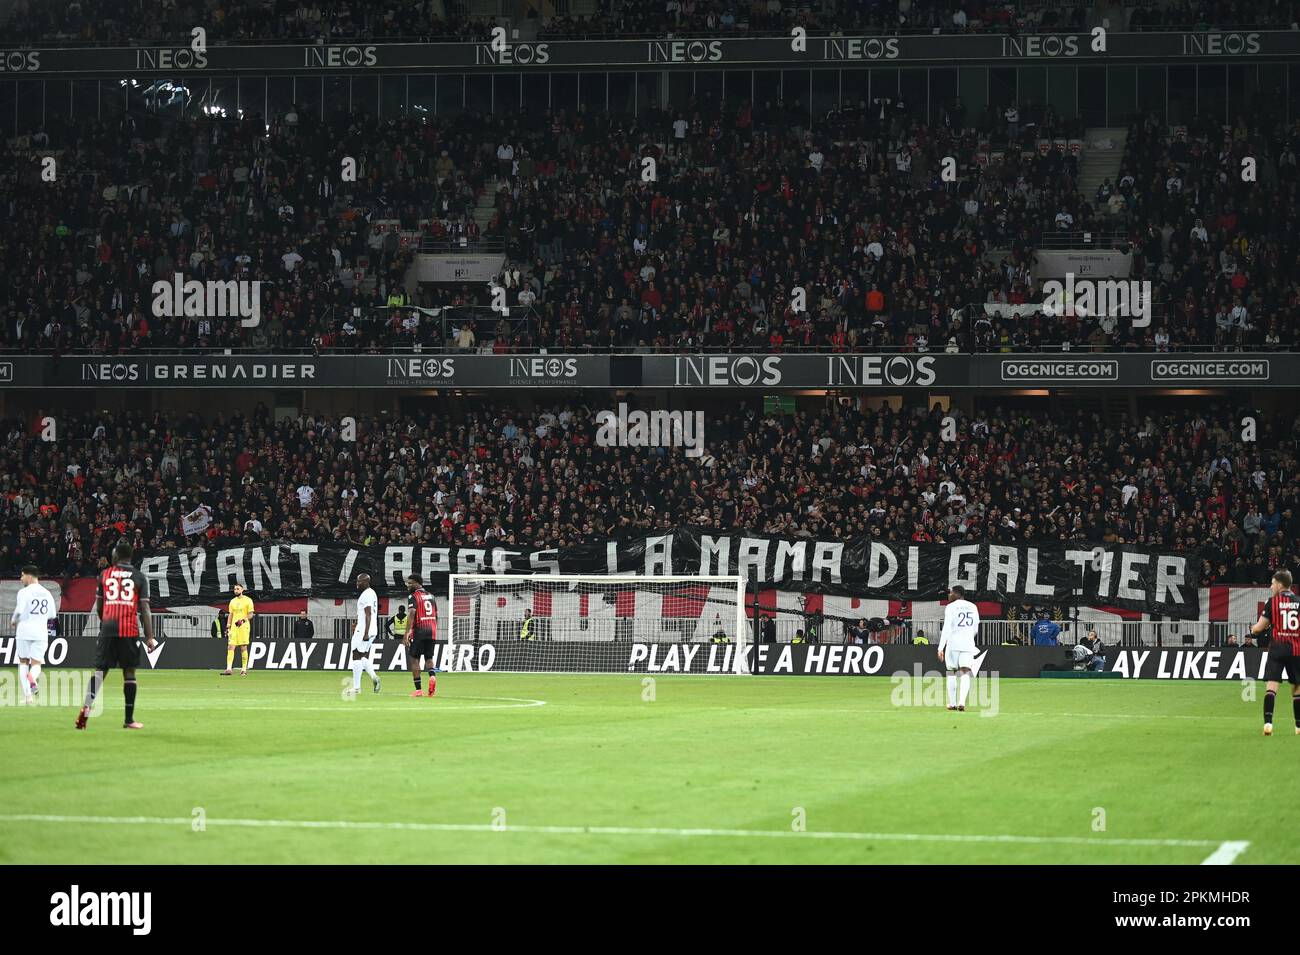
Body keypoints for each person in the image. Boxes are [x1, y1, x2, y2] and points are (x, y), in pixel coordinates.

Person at [77, 542, 157, 730]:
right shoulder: (139, 577)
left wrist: (105, 622)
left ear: (117, 556)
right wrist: (150, 636)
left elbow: (99, 607)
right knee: (129, 673)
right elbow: (145, 608)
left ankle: (85, 713)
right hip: (128, 630)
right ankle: (129, 720)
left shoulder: (105, 575)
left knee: (100, 671)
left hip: (108, 629)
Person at [1246, 569, 1300, 736]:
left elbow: (1259, 627)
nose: (1270, 586)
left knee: (1271, 687)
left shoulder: (1272, 602)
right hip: (1296, 650)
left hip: (1277, 649)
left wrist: (1253, 630)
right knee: (1297, 689)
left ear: (1279, 584)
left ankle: (1268, 724)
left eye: (1272, 583)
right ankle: (1298, 727)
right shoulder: (1299, 602)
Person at [11, 565, 56, 705]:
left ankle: (28, 697)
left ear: (29, 576)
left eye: (22, 575)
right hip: (40, 632)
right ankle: (32, 676)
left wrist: (14, 620)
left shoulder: (24, 592)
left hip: (24, 631)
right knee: (36, 663)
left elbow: (19, 609)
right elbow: (52, 614)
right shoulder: (47, 593)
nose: (21, 578)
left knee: (23, 661)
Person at [939, 585, 980, 712]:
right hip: (968, 644)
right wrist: (968, 637)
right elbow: (975, 627)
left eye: (950, 593)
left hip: (953, 644)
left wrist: (941, 647)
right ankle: (962, 702)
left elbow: (946, 628)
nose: (949, 595)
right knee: (965, 672)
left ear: (957, 594)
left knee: (951, 672)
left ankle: (952, 704)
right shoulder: (973, 606)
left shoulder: (951, 607)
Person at [403, 575, 439, 697]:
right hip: (432, 630)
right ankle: (432, 676)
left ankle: (418, 690)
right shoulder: (432, 596)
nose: (408, 585)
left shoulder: (413, 596)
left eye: (410, 583)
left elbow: (412, 612)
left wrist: (407, 632)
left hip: (419, 631)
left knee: (414, 658)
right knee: (429, 658)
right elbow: (436, 615)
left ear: (418, 583)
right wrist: (434, 627)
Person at [346, 573, 381, 697]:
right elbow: (365, 614)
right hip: (372, 629)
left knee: (356, 655)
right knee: (361, 656)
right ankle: (374, 677)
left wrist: (365, 632)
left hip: (365, 631)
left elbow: (368, 614)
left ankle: (356, 688)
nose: (357, 583)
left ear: (366, 582)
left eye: (359, 581)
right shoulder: (372, 593)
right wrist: (358, 623)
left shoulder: (366, 594)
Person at [222, 583, 255, 676]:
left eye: (237, 589)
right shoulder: (232, 601)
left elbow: (250, 614)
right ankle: (229, 669)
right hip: (234, 627)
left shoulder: (248, 600)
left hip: (244, 627)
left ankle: (244, 669)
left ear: (242, 590)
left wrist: (242, 621)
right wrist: (228, 626)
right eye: (235, 589)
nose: (236, 590)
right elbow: (231, 614)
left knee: (243, 647)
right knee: (231, 646)